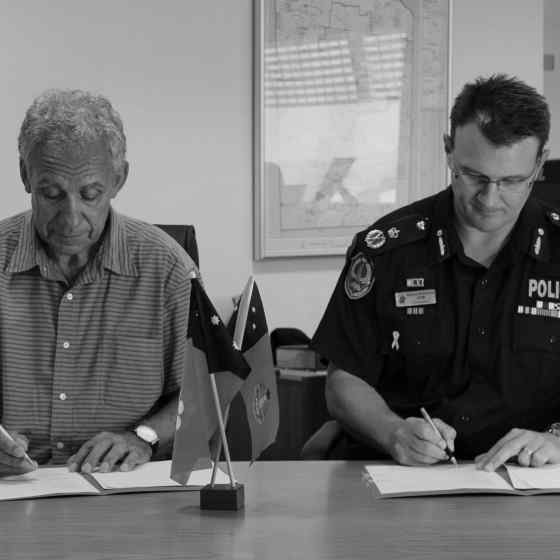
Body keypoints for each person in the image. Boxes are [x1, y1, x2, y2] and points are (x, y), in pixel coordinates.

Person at [311, 74, 560, 471]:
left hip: (528, 485)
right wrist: (393, 432)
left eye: (512, 181)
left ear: (539, 164)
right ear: (449, 151)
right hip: (400, 479)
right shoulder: (387, 250)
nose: (490, 199)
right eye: (475, 176)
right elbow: (344, 381)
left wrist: (555, 440)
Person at [0, 89, 196, 477]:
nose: (71, 217)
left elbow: (206, 393)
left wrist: (144, 437)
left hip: (125, 490)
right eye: (51, 193)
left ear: (119, 178)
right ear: (25, 174)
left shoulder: (168, 269)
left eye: (90, 194)